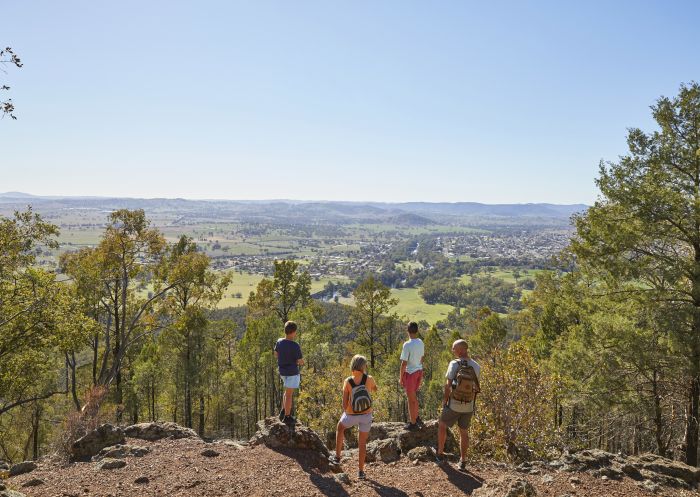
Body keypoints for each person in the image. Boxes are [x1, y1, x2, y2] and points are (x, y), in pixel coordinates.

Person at [330, 354, 377, 480]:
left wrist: (348, 412)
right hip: (366, 415)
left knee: (340, 428)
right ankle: (361, 472)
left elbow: (344, 404)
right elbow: (375, 389)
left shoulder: (348, 381)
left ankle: (338, 457)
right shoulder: (369, 378)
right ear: (363, 366)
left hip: (351, 415)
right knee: (362, 444)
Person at [436, 339, 481, 471]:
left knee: (442, 424)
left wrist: (445, 401)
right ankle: (463, 461)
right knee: (464, 432)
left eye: (454, 348)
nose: (452, 350)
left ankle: (439, 453)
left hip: (454, 404)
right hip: (469, 405)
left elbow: (448, 386)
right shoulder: (476, 366)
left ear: (461, 350)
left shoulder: (454, 364)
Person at [274, 321, 304, 426]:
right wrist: (297, 361)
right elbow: (300, 361)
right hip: (292, 373)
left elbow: (276, 354)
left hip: (283, 372)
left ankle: (283, 411)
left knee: (287, 392)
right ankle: (287, 417)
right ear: (293, 332)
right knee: (289, 395)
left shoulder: (279, 342)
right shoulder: (295, 345)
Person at [399, 321, 424, 430]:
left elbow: (404, 363)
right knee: (414, 397)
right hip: (419, 371)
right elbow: (422, 358)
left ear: (408, 331)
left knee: (410, 399)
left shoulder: (407, 345)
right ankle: (417, 417)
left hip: (410, 374)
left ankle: (413, 423)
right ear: (417, 331)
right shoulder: (420, 342)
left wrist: (401, 378)